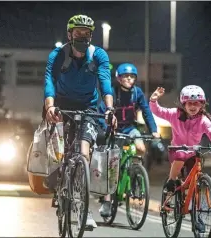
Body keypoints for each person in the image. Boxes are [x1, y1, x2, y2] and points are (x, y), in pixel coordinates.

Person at [43, 14, 116, 229]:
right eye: (78, 34)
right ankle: (58, 186)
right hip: (61, 106)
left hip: (88, 108)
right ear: (70, 34)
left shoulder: (98, 55)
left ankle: (85, 209)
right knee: (58, 151)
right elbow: (49, 79)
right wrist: (49, 105)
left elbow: (105, 81)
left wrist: (110, 108)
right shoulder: (58, 55)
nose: (83, 38)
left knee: (84, 153)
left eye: (87, 34)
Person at [98, 63, 160, 217]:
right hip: (114, 130)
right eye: (125, 76)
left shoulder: (137, 93)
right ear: (119, 78)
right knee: (112, 164)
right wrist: (105, 128)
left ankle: (135, 174)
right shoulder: (112, 92)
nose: (129, 79)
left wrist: (154, 130)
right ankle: (106, 201)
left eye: (132, 76)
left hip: (130, 128)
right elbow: (101, 112)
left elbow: (146, 111)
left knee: (141, 149)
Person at [149, 85, 211, 193]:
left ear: (202, 104)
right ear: (183, 104)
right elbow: (159, 111)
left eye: (196, 103)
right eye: (189, 103)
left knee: (191, 180)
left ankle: (188, 200)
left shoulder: (203, 120)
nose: (193, 106)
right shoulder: (174, 114)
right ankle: (171, 182)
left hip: (193, 152)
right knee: (180, 156)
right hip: (176, 151)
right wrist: (153, 100)